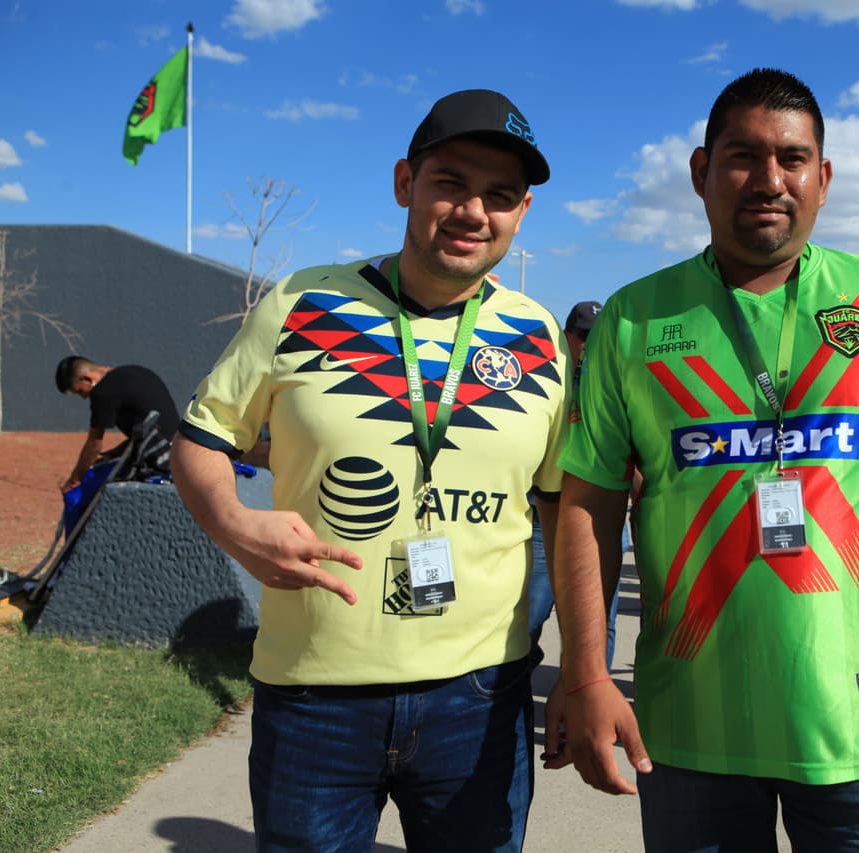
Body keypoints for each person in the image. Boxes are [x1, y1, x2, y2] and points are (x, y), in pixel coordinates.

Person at [546, 67, 859, 851]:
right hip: (689, 731)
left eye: (792, 158)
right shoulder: (634, 319)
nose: (768, 179)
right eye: (742, 156)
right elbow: (589, 505)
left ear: (824, 177)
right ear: (702, 172)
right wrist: (587, 674)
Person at [171, 89, 568, 851]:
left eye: (501, 196)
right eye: (450, 181)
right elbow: (202, 436)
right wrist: (234, 522)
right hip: (315, 691)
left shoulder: (538, 335)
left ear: (521, 216)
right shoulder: (302, 301)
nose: (473, 211)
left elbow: (561, 507)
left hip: (481, 695)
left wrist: (581, 668)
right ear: (403, 184)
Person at [527, 300, 622, 672]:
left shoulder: (607, 379)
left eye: (596, 338)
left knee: (601, 623)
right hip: (543, 515)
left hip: (598, 514)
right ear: (568, 336)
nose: (589, 345)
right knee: (530, 618)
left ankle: (587, 702)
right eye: (584, 337)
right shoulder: (548, 374)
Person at [54, 356, 179, 492]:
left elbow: (94, 445)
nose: (83, 397)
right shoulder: (134, 371)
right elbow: (150, 429)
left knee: (102, 489)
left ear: (87, 379)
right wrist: (113, 454)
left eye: (80, 391)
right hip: (178, 449)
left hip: (161, 461)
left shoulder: (102, 392)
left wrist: (74, 481)